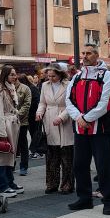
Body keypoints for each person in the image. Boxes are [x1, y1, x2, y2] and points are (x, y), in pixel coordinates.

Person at [65, 44, 110, 215]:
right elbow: (68, 100)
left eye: (88, 53)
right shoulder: (77, 76)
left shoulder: (107, 75)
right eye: (83, 53)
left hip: (100, 129)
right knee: (79, 165)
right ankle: (84, 198)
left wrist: (86, 118)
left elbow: (105, 103)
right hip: (81, 129)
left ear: (97, 55)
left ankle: (108, 200)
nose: (85, 56)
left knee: (103, 166)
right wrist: (79, 118)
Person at [36, 64, 74, 194]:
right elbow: (42, 102)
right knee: (51, 156)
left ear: (60, 74)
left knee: (66, 156)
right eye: (49, 76)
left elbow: (72, 104)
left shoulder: (68, 84)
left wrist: (62, 117)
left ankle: (67, 184)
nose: (50, 78)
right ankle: (51, 183)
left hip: (65, 121)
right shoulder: (45, 85)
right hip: (50, 120)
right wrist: (39, 112)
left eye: (53, 76)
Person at [0, 65, 21, 198]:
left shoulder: (10, 88)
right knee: (3, 155)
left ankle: (10, 182)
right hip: (4, 125)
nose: (15, 76)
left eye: (15, 74)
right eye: (12, 74)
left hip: (12, 124)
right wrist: (1, 132)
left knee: (10, 155)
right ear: (5, 76)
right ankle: (2, 186)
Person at [15, 74, 33, 176]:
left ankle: (24, 166)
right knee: (12, 145)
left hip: (22, 121)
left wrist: (18, 114)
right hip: (9, 121)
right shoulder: (5, 87)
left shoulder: (25, 88)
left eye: (14, 76)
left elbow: (27, 104)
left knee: (23, 144)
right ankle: (10, 165)